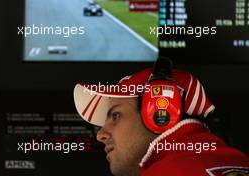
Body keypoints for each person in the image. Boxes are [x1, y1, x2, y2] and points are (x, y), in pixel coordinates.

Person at [73, 58, 249, 176]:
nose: (100, 134)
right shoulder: (239, 162)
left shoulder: (168, 172)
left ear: (159, 113)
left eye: (115, 116)